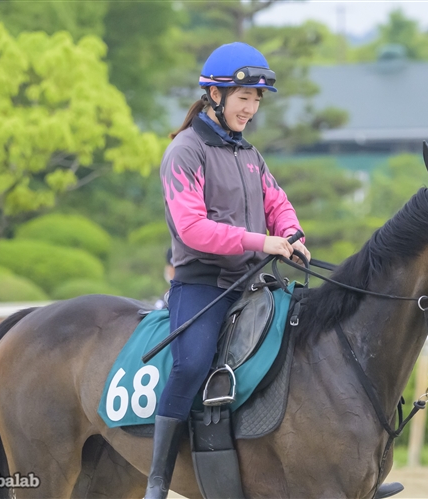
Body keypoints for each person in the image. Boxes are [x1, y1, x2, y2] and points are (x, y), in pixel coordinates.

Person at [145, 42, 309, 498]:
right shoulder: (184, 151)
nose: (251, 108)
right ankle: (158, 479)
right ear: (215, 95)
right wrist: (264, 241)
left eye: (256, 100)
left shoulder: (249, 154)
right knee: (193, 361)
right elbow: (193, 229)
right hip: (202, 286)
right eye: (244, 98)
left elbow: (277, 202)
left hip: (254, 282)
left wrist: (291, 234)